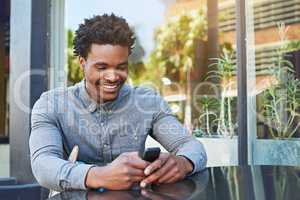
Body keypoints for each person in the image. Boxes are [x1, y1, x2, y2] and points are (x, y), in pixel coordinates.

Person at [29, 13, 207, 191]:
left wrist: (184, 163)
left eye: (121, 67)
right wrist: (98, 175)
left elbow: (191, 146)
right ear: (82, 63)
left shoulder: (147, 102)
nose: (113, 77)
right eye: (102, 67)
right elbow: (43, 164)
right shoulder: (51, 104)